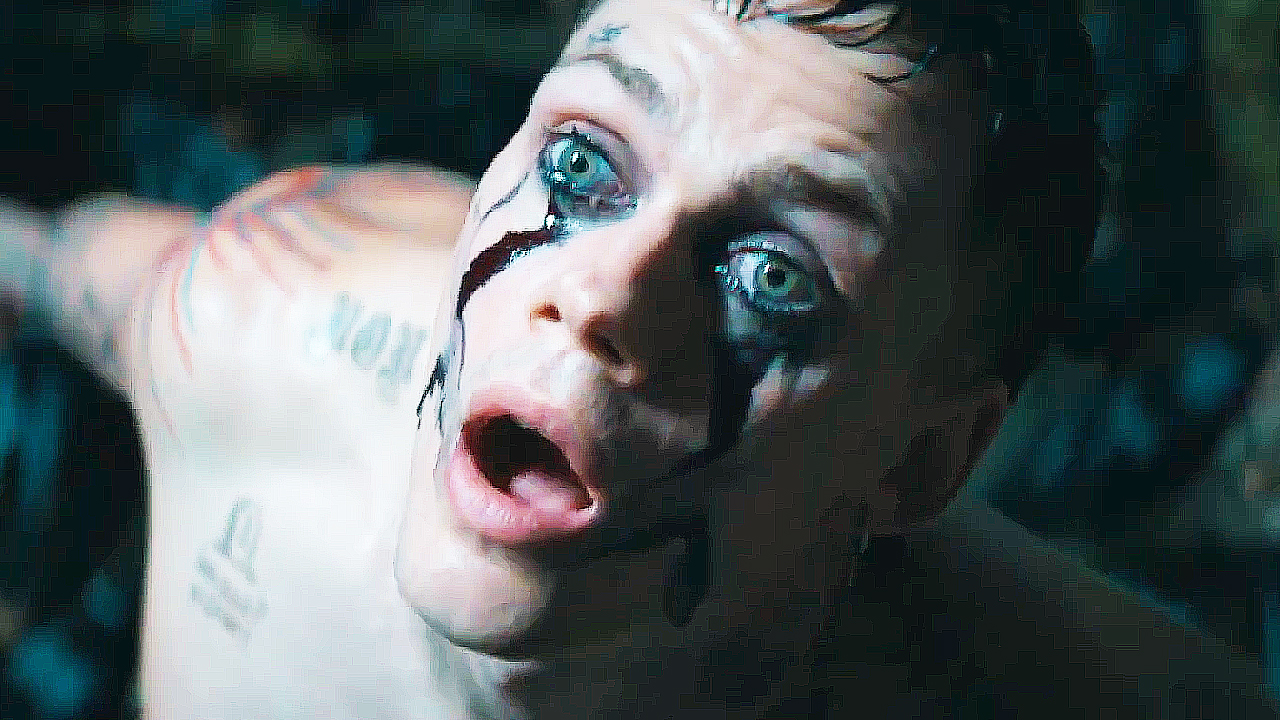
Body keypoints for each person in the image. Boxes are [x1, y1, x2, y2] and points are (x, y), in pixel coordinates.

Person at [1, 0, 1274, 717]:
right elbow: (57, 260)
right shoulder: (249, 321)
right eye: (580, 163)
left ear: (920, 463)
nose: (602, 293)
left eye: (773, 277)